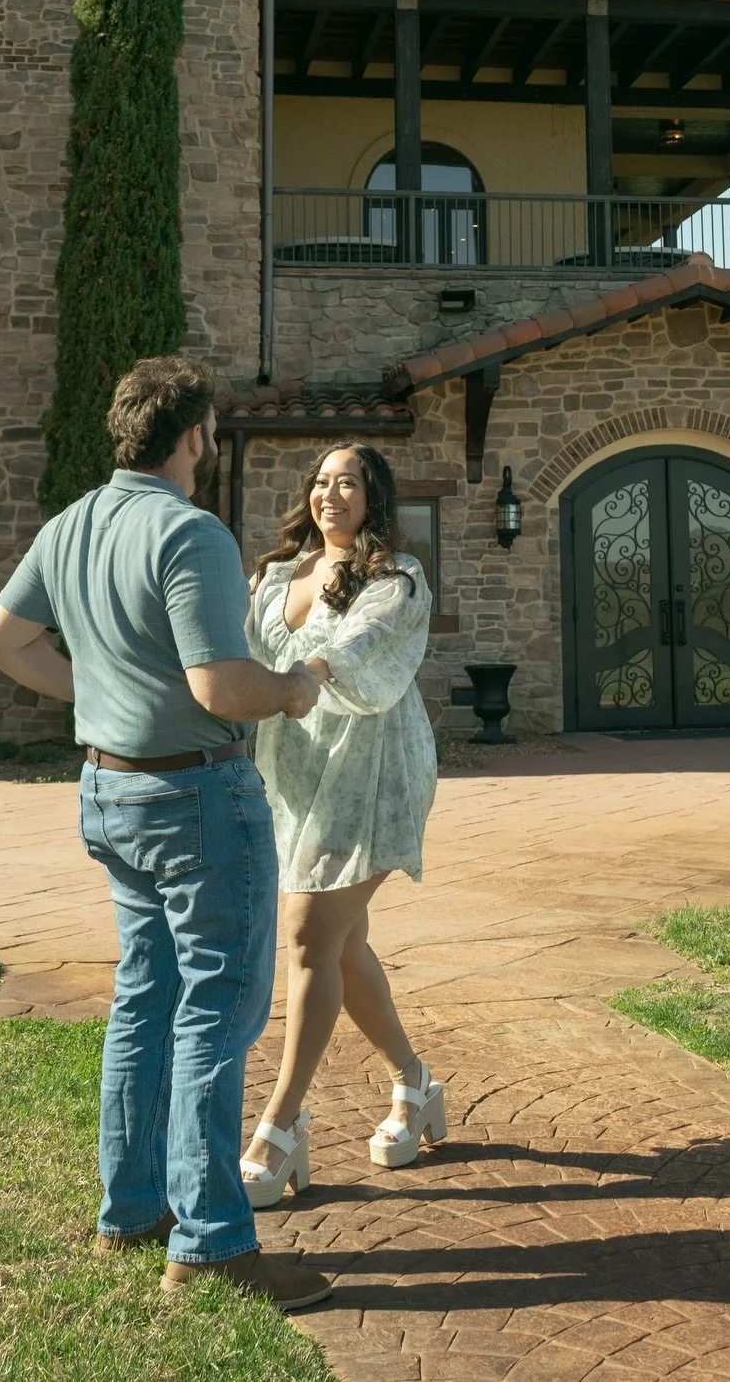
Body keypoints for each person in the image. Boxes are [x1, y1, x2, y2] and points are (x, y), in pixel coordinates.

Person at [0, 356, 332, 1310]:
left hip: (108, 793)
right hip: (197, 799)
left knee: (146, 997)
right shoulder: (190, 531)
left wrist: (93, 693)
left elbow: (0, 642)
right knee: (214, 1009)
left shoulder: (71, 524)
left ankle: (131, 1211)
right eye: (208, 431)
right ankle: (213, 1241)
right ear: (193, 436)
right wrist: (295, 688)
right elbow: (222, 685)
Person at [238, 442, 442, 1207]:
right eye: (321, 481)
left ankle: (280, 1128)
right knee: (343, 940)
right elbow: (236, 649)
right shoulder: (273, 576)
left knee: (308, 936)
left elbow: (357, 648)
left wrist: (308, 672)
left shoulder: (398, 579)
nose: (330, 493)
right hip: (290, 774)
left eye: (347, 481)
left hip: (372, 771)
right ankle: (414, 1085)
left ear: (373, 496)